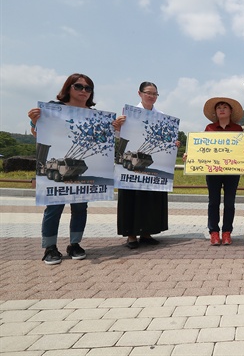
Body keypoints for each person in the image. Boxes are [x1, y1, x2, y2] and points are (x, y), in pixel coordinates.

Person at [27, 73, 98, 264]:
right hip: (58, 161)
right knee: (54, 208)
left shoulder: (94, 116)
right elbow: (38, 133)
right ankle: (50, 248)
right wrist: (34, 121)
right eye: (79, 86)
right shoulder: (53, 109)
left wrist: (116, 126)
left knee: (80, 208)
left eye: (88, 88)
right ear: (68, 88)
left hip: (74, 164)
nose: (84, 91)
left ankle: (74, 244)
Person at [113, 82, 177, 249]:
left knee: (151, 199)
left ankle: (147, 233)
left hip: (150, 164)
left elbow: (166, 140)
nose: (151, 96)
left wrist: (173, 143)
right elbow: (120, 136)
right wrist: (117, 126)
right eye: (148, 93)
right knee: (131, 198)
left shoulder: (162, 116)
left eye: (155, 94)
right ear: (139, 93)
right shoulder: (129, 115)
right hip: (132, 163)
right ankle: (131, 235)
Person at [201, 97, 244, 245]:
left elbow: (241, 150)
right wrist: (191, 155)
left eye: (225, 106)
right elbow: (202, 148)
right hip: (213, 170)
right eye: (219, 107)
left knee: (230, 202)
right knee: (213, 201)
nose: (221, 109)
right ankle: (213, 232)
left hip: (232, 170)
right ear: (215, 112)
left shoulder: (238, 129)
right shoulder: (209, 128)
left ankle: (227, 232)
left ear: (231, 111)